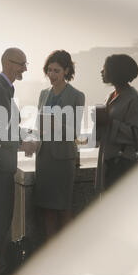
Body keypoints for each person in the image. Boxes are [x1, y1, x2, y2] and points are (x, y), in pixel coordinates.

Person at [0, 47, 36, 275]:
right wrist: (23, 145)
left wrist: (28, 135)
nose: (25, 68)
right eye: (21, 63)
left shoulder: (5, 89)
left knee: (1, 222)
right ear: (7, 63)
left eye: (25, 63)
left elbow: (8, 128)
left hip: (3, 167)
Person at [33, 50, 85, 242]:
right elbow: (39, 126)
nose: (52, 75)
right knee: (47, 209)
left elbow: (75, 131)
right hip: (44, 158)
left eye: (56, 70)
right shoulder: (43, 94)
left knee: (64, 208)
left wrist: (57, 124)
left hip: (63, 160)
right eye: (49, 70)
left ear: (66, 71)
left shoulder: (77, 96)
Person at [94, 54, 138, 193]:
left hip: (123, 166)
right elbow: (105, 130)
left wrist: (110, 121)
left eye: (104, 68)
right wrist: (99, 122)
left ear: (115, 72)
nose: (101, 72)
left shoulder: (135, 100)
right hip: (109, 163)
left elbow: (137, 134)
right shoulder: (110, 96)